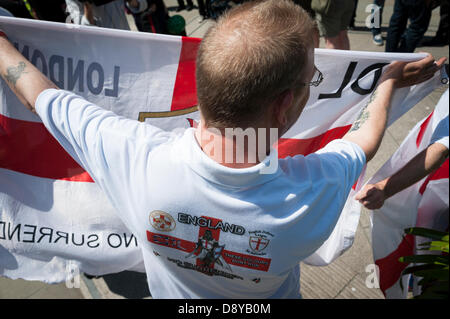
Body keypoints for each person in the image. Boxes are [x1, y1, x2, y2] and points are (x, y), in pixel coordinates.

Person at [0, 0, 445, 299]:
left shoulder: (133, 156)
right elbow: (363, 143)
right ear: (284, 104)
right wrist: (385, 83)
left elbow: (37, 94)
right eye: (310, 81)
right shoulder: (316, 190)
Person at [356, 112, 449, 210]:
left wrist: (385, 188)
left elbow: (439, 150)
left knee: (423, 210)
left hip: (438, 173)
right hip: (432, 130)